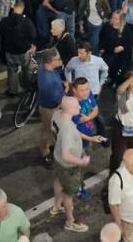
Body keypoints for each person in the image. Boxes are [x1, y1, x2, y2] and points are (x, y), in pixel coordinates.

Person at [51, 95, 91, 233]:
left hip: (57, 161)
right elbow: (66, 155)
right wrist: (81, 161)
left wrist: (90, 138)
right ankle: (70, 221)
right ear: (68, 110)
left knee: (59, 180)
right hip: (68, 167)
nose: (79, 107)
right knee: (69, 195)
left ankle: (56, 205)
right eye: (76, 106)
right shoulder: (68, 128)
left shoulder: (57, 115)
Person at [108, 148, 133, 242]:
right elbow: (113, 205)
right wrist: (119, 225)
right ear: (125, 164)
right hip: (127, 221)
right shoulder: (116, 180)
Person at [37, 49, 65, 165]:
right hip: (50, 109)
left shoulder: (48, 69)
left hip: (53, 106)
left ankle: (52, 145)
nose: (60, 60)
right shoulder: (47, 79)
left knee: (52, 130)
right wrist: (65, 91)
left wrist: (62, 83)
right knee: (47, 130)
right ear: (51, 61)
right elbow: (55, 98)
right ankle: (45, 152)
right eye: (58, 59)